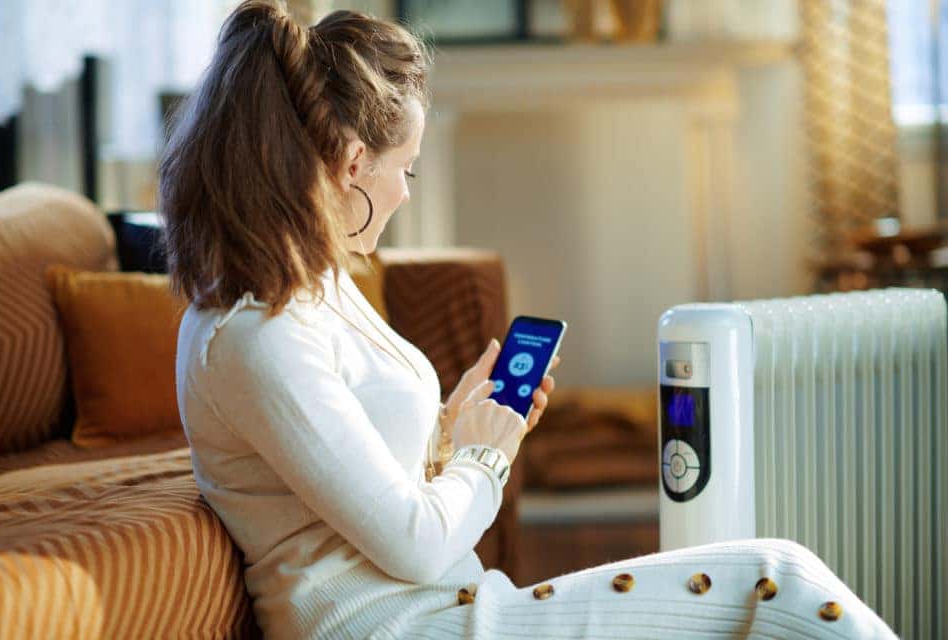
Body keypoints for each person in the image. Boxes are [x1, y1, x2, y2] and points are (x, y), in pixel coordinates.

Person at [159, 2, 897, 638]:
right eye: (405, 168)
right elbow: (415, 545)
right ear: (354, 163)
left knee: (774, 586)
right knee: (777, 578)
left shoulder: (315, 288)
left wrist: (456, 426)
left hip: (457, 606)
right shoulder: (255, 337)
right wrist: (485, 455)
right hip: (409, 627)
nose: (407, 193)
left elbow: (361, 478)